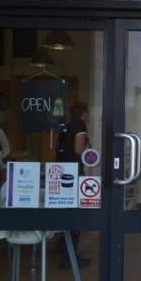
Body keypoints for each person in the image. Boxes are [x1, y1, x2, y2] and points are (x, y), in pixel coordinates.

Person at [55, 101, 91, 269]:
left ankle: (62, 248)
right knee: (76, 212)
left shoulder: (66, 126)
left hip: (60, 172)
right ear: (83, 114)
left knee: (66, 210)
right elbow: (78, 149)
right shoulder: (79, 126)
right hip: (73, 172)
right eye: (87, 113)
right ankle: (70, 256)